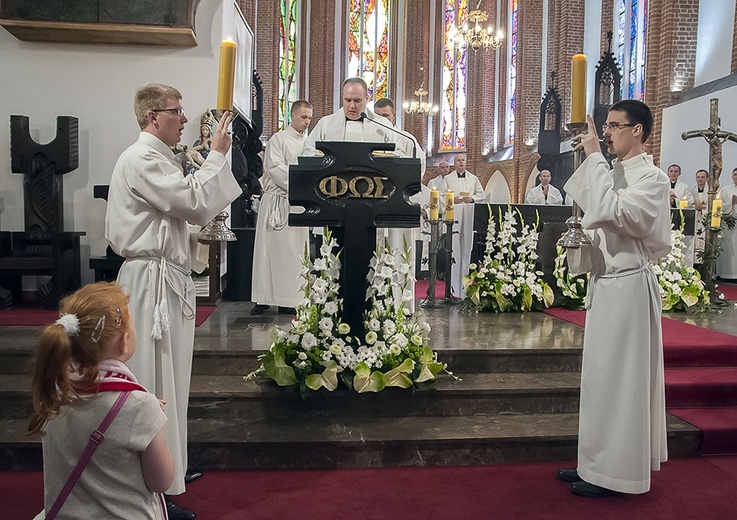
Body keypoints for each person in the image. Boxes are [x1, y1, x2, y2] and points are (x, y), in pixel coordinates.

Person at [105, 83, 241, 519]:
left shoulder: (161, 158)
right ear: (152, 116)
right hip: (150, 282)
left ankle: (165, 477)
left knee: (172, 379)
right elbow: (192, 201)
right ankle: (141, 484)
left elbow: (184, 215)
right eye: (177, 111)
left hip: (167, 278)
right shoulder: (141, 157)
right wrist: (217, 155)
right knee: (152, 376)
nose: (184, 119)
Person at [559, 101, 671, 498]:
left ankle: (618, 473)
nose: (605, 134)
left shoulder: (654, 180)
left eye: (613, 126)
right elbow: (597, 216)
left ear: (637, 130)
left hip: (627, 291)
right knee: (600, 382)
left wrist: (593, 159)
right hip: (606, 287)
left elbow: (612, 211)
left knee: (621, 384)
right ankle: (594, 462)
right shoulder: (617, 173)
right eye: (604, 127)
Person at [28, 282, 174, 519]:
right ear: (125, 341)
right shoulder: (140, 405)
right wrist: (148, 419)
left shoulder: (54, 392)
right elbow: (162, 480)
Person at [251, 100, 313, 316]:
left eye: (309, 118)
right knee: (269, 252)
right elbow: (275, 168)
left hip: (297, 205)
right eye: (303, 117)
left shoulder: (309, 143)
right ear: (292, 116)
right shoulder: (279, 139)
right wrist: (302, 183)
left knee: (293, 253)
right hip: (277, 202)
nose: (307, 122)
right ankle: (263, 298)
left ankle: (291, 298)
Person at [303, 78, 399, 153]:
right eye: (348, 100)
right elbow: (308, 151)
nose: (352, 106)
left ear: (367, 98)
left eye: (357, 101)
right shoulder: (326, 124)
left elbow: (398, 154)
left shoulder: (383, 125)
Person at [444, 154, 485, 298]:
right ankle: (453, 285)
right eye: (458, 160)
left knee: (467, 246)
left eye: (463, 160)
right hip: (454, 212)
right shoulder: (448, 179)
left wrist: (472, 198)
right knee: (455, 247)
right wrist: (451, 199)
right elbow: (442, 196)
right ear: (454, 163)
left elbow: (481, 193)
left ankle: (465, 285)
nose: (461, 162)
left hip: (468, 213)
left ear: (466, 162)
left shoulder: (473, 178)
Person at [717, 167, 737, 279]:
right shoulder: (725, 190)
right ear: (732, 176)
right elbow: (719, 205)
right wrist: (730, 202)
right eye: (735, 174)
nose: (736, 177)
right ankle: (728, 274)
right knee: (729, 249)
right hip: (730, 224)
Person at [691, 169, 709, 264]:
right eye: (698, 177)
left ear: (707, 179)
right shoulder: (692, 191)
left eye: (702, 177)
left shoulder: (711, 192)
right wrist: (696, 207)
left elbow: (715, 206)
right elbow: (689, 205)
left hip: (706, 222)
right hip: (696, 222)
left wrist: (703, 207)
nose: (700, 179)